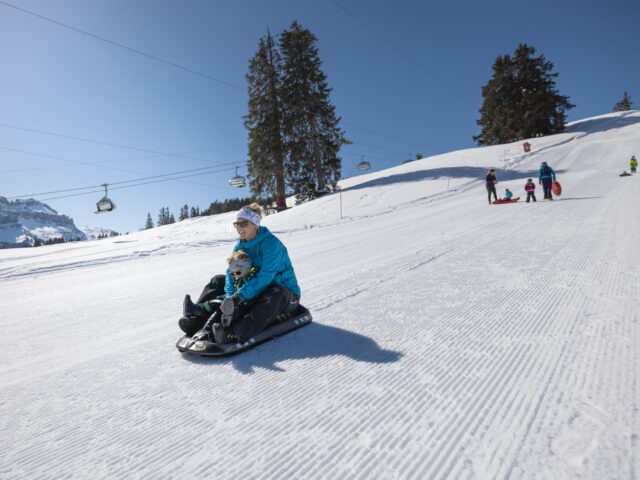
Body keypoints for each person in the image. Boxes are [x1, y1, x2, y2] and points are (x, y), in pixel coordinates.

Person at [180, 203, 301, 344]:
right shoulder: (241, 243)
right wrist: (230, 296)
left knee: (275, 293)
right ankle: (199, 315)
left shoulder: (271, 244)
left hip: (285, 295)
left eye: (243, 224)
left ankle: (234, 332)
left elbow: (265, 278)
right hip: (254, 286)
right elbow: (231, 269)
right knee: (218, 280)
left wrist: (239, 296)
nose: (239, 228)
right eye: (236, 224)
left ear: (255, 225)